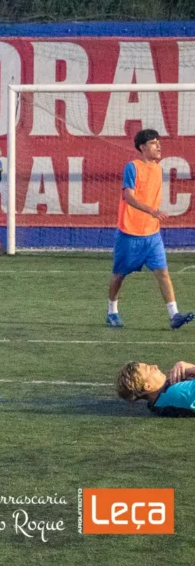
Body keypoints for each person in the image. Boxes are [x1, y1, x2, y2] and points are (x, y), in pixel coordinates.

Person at [106, 129, 193, 329]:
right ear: (143, 147)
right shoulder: (132, 167)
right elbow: (129, 196)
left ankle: (174, 315)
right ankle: (112, 311)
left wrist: (153, 216)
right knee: (119, 275)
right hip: (129, 233)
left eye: (158, 142)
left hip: (152, 234)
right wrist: (152, 211)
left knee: (162, 272)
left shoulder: (158, 169)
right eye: (154, 143)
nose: (158, 146)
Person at [116, 360, 195, 416]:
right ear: (148, 386)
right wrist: (189, 367)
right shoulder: (177, 392)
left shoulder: (158, 402)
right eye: (150, 369)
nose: (155, 366)